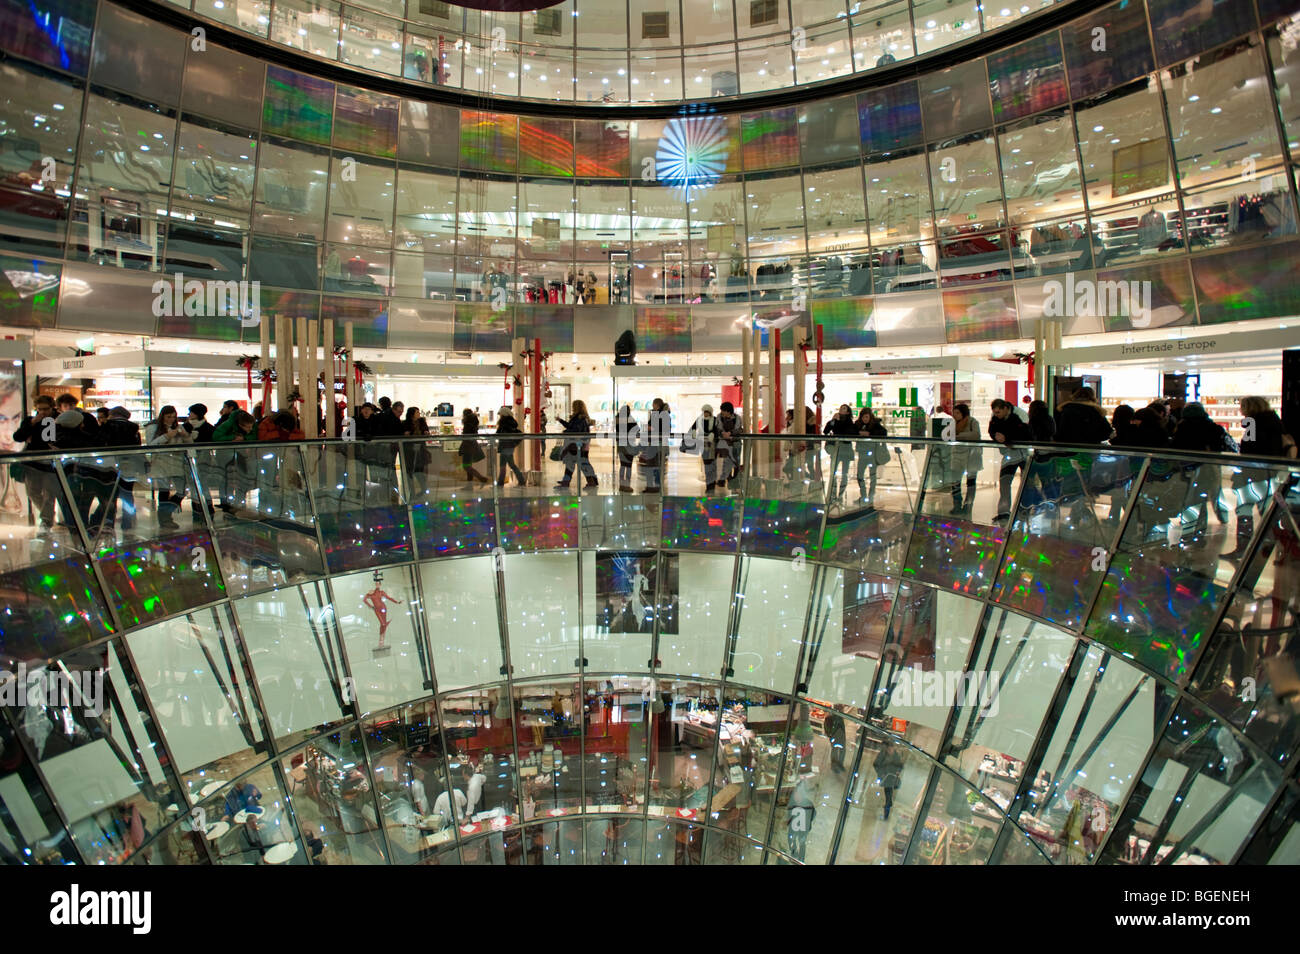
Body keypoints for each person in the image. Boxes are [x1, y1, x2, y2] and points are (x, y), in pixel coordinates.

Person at [12, 395, 59, 533]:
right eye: (40, 409)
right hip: (32, 462)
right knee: (32, 492)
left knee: (50, 493)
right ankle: (49, 516)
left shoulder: (57, 420)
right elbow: (18, 437)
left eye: (46, 409)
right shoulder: (31, 421)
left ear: (52, 407)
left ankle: (46, 521)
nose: (43, 412)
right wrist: (32, 423)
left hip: (51, 464)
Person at [146, 405, 195, 530]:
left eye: (173, 417)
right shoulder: (153, 427)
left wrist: (185, 436)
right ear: (163, 416)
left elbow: (190, 444)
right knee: (164, 491)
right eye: (169, 417)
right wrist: (166, 436)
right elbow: (150, 445)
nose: (171, 419)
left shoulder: (178, 427)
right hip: (161, 463)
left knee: (182, 491)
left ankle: (166, 513)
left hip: (177, 463)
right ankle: (164, 518)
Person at [101, 406, 142, 533]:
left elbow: (102, 442)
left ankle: (109, 521)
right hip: (129, 465)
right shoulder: (134, 428)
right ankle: (127, 521)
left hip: (111, 464)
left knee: (110, 494)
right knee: (127, 493)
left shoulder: (107, 426)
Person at [988, 398, 1030, 520]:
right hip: (1008, 456)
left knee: (1026, 483)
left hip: (1023, 454)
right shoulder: (996, 418)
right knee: (1005, 483)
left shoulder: (1019, 415)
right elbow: (992, 430)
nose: (996, 415)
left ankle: (1024, 509)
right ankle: (1003, 512)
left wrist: (1006, 437)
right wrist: (996, 437)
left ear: (1005, 409)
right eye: (995, 412)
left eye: (998, 412)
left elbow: (1025, 434)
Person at [555, 400, 598, 490]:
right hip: (579, 444)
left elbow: (575, 430)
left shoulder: (580, 418)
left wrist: (565, 432)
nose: (572, 407)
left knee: (580, 463)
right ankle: (566, 481)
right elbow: (571, 427)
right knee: (573, 463)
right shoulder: (579, 418)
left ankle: (591, 481)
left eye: (573, 406)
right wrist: (561, 421)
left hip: (577, 444)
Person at [948, 403, 981, 516]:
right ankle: (957, 504)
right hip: (957, 455)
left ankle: (968, 505)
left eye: (957, 413)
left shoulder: (972, 422)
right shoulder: (953, 424)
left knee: (971, 482)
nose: (955, 415)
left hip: (971, 456)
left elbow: (976, 435)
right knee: (955, 481)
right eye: (954, 413)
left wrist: (958, 435)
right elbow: (947, 435)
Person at [823, 404, 859, 503]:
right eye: (841, 408)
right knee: (833, 472)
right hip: (836, 448)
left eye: (844, 408)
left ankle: (840, 495)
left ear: (848, 412)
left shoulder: (849, 422)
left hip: (845, 448)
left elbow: (845, 432)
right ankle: (833, 495)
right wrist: (833, 421)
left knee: (844, 473)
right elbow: (826, 431)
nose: (841, 410)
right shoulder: (835, 420)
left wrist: (837, 423)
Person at [854, 407, 888, 505]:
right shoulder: (858, 424)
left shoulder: (875, 425)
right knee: (860, 475)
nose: (865, 419)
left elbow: (883, 432)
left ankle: (871, 497)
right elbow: (851, 431)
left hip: (872, 453)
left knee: (872, 476)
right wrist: (859, 433)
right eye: (863, 417)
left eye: (867, 417)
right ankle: (864, 496)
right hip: (862, 453)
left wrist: (870, 434)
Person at [687, 403, 722, 492]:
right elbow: (693, 428)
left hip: (713, 445)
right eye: (704, 412)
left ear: (710, 412)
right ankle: (709, 484)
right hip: (703, 444)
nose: (705, 414)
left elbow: (717, 430)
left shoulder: (714, 420)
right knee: (707, 464)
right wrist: (694, 432)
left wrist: (713, 434)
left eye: (707, 412)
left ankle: (712, 484)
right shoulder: (700, 420)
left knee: (713, 465)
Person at [786, 773, 816, 862]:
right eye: (795, 794)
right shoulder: (792, 804)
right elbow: (789, 813)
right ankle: (793, 854)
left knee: (802, 843)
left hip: (803, 829)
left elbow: (813, 813)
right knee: (791, 840)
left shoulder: (808, 804)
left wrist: (808, 824)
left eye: (798, 794)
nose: (796, 796)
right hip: (793, 827)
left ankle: (801, 859)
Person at [642, 398, 670, 492]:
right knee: (658, 465)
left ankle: (652, 486)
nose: (652, 406)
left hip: (655, 444)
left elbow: (652, 427)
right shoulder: (665, 414)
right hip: (660, 444)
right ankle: (657, 486)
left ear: (656, 405)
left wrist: (649, 427)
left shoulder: (657, 414)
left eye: (653, 404)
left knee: (651, 465)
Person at [874, 740, 904, 820]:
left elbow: (900, 766)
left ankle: (887, 807)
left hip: (892, 778)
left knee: (889, 794)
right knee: (888, 794)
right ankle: (887, 806)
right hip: (885, 778)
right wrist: (881, 773)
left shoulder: (896, 756)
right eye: (889, 749)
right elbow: (876, 764)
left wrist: (897, 772)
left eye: (892, 749)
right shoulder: (882, 755)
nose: (890, 751)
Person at [495, 406, 525, 486]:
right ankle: (521, 480)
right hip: (510, 446)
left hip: (505, 446)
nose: (500, 416)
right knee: (509, 464)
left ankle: (501, 482)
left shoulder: (504, 423)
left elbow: (499, 434)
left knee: (506, 465)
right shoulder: (511, 422)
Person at [459, 407, 489, 486]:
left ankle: (481, 478)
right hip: (472, 445)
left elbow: (466, 435)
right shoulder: (473, 423)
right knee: (468, 465)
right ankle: (470, 483)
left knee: (466, 466)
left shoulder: (467, 424)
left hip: (467, 446)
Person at [716, 401, 742, 487]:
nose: (722, 413)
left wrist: (730, 433)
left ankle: (736, 479)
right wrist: (723, 433)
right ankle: (727, 479)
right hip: (725, 442)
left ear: (728, 411)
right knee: (726, 461)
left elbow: (738, 429)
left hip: (735, 442)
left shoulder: (737, 418)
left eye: (723, 411)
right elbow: (718, 428)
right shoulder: (719, 417)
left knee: (736, 461)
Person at [614, 405, 640, 492]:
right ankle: (627, 485)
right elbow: (637, 429)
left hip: (620, 444)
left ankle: (621, 485)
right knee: (628, 465)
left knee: (623, 465)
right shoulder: (630, 419)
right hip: (629, 444)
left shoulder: (617, 419)